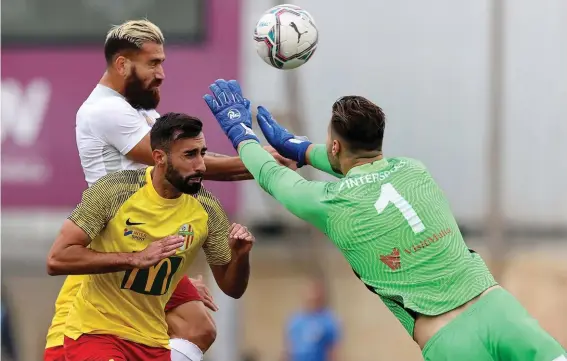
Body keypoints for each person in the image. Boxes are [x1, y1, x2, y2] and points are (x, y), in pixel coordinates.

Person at [203, 79, 567, 361]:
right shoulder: (414, 170)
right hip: (497, 308)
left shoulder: (332, 203)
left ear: (334, 147)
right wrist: (300, 149)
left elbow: (272, 176)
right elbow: (360, 165)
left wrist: (240, 132)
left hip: (450, 337)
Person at [44, 20, 294, 361]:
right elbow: (178, 164)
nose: (161, 73)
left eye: (162, 62)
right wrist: (259, 160)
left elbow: (188, 163)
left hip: (154, 234)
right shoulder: (105, 110)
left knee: (199, 329)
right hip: (116, 237)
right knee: (75, 341)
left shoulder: (142, 110)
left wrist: (265, 163)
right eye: (153, 63)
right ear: (122, 64)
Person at [46, 112, 254, 361]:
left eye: (202, 153)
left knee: (202, 330)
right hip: (96, 333)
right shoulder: (115, 191)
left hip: (150, 341)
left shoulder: (207, 209)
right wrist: (135, 259)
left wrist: (241, 257)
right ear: (159, 158)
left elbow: (232, 288)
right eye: (190, 155)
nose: (201, 165)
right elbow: (56, 259)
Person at [285, 278, 341, 361]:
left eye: (315, 291)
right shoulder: (295, 321)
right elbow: (289, 348)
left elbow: (333, 351)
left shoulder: (328, 320)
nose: (312, 295)